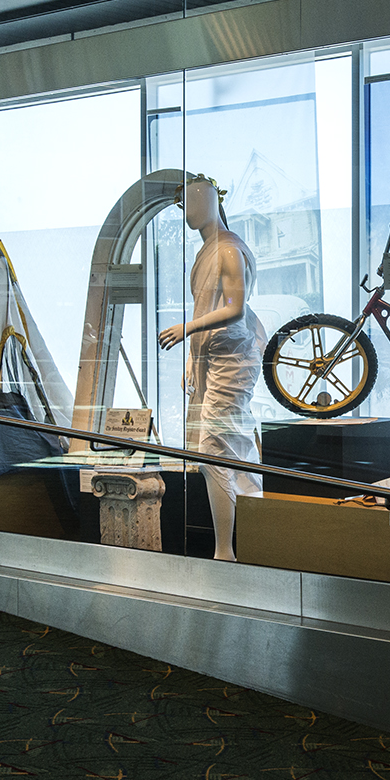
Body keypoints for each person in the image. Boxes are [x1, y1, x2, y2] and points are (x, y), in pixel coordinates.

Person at [158, 174, 266, 561]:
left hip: (232, 359)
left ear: (211, 201)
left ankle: (226, 551)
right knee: (228, 451)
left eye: (193, 200)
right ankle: (246, 545)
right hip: (212, 358)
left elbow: (234, 308)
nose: (187, 210)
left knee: (216, 451)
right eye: (184, 203)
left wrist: (188, 329)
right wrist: (194, 356)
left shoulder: (228, 249)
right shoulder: (207, 251)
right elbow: (209, 303)